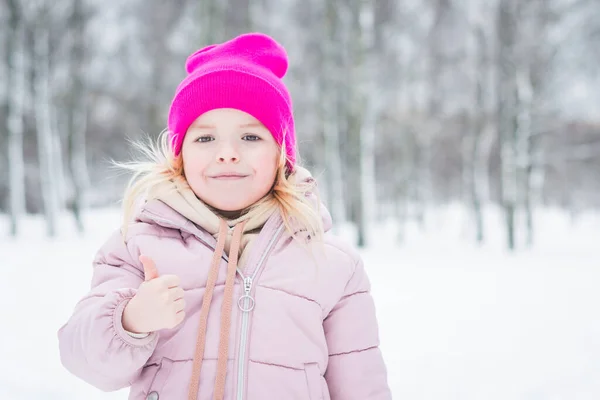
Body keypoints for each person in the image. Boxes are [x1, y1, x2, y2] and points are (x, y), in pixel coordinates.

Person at [57, 32, 391, 400]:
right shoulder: (139, 245)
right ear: (179, 154)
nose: (228, 153)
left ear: (282, 154)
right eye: (205, 138)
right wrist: (130, 321)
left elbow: (363, 386)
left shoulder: (331, 264)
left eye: (251, 138)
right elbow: (82, 359)